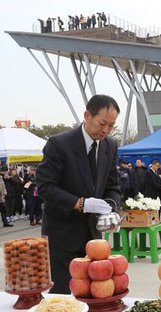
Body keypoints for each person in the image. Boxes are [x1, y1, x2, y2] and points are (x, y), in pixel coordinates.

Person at [37, 94, 122, 295]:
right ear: (87, 115)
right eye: (102, 123)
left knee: (94, 293)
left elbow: (112, 186)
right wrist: (80, 203)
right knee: (64, 294)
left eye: (111, 126)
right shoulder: (59, 143)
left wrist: (112, 208)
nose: (105, 130)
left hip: (93, 236)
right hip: (62, 233)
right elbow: (45, 186)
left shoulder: (110, 145)